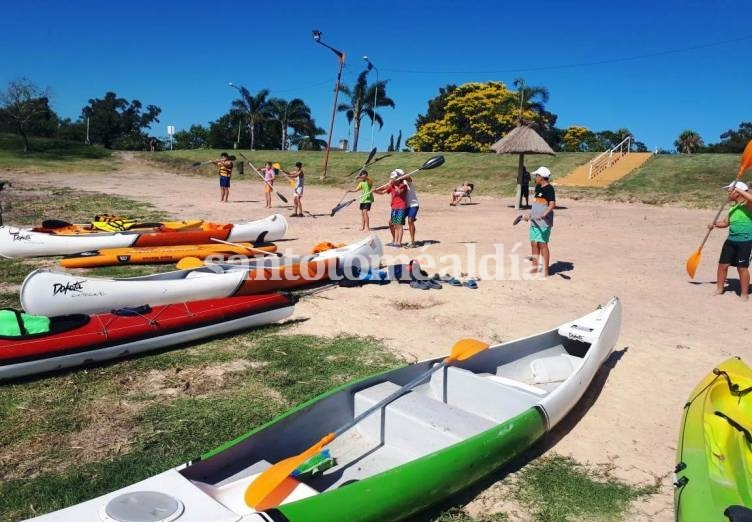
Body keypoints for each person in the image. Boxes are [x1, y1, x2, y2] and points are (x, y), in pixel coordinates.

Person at [709, 181, 752, 300]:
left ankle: (744, 294)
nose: (727, 194)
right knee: (722, 265)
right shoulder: (732, 208)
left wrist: (738, 189)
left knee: (742, 267)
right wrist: (715, 224)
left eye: (729, 191)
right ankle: (719, 288)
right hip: (731, 240)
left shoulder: (748, 205)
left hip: (745, 242)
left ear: (737, 193)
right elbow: (725, 223)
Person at [524, 166, 556, 276]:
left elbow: (552, 204)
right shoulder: (537, 187)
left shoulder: (549, 189)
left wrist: (544, 215)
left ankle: (546, 270)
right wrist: (530, 213)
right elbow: (535, 203)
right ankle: (534, 267)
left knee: (542, 244)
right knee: (533, 243)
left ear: (541, 177)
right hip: (534, 221)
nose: (535, 177)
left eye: (536, 175)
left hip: (544, 222)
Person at [374, 170, 407, 247]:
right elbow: (383, 192)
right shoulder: (391, 186)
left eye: (394, 178)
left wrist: (394, 185)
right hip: (394, 207)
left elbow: (399, 192)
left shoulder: (403, 186)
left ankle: (399, 242)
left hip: (401, 207)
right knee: (394, 225)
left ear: (398, 178)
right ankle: (395, 241)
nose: (392, 180)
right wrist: (375, 191)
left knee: (399, 225)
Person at [403, 175, 420, 248]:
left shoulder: (407, 181)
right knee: (392, 222)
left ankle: (413, 242)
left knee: (410, 221)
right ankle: (396, 241)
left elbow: (408, 177)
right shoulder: (397, 183)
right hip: (403, 206)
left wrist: (402, 177)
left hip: (413, 205)